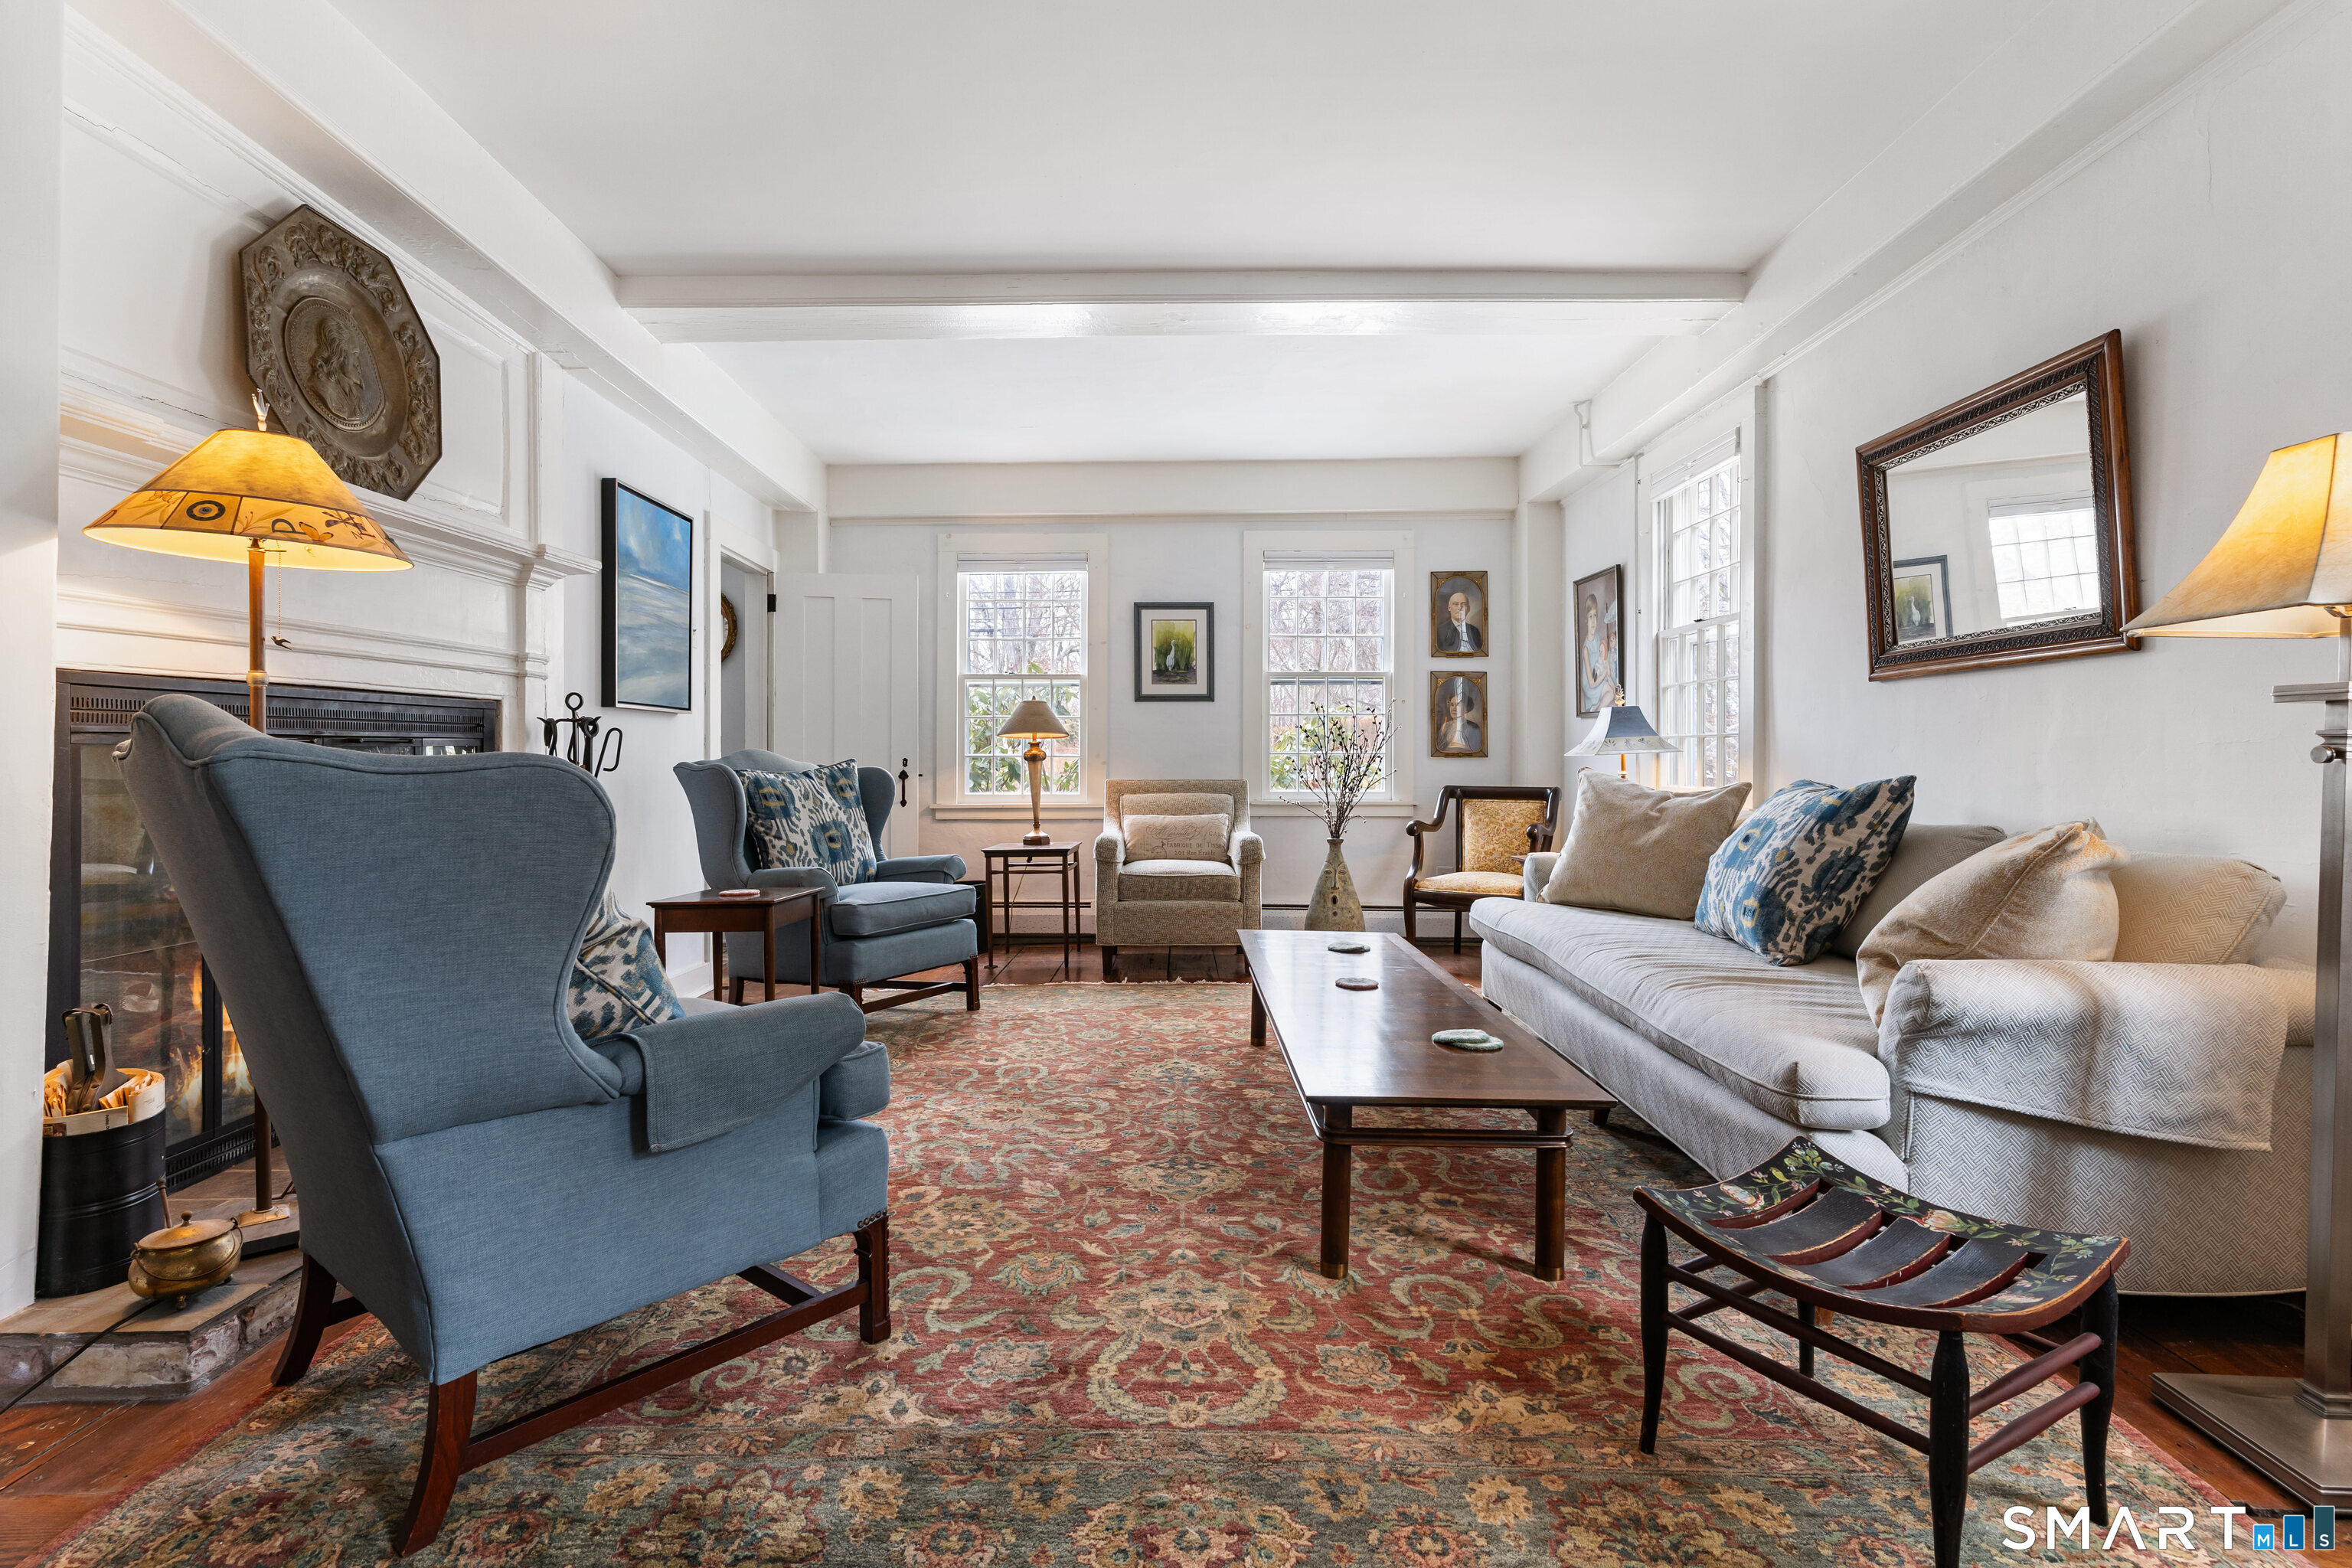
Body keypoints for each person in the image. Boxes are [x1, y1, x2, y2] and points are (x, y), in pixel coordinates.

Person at [1579, 591, 1619, 711]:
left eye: (1595, 616)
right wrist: (1604, 674)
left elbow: (1601, 659)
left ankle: (1598, 707)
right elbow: (1591, 683)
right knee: (1609, 693)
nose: (1593, 621)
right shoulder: (1586, 649)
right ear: (1586, 620)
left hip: (1599, 678)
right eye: (1590, 616)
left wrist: (1607, 674)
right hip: (1591, 685)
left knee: (1612, 692)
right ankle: (1598, 710)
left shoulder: (1597, 638)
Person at [1436, 681, 1483, 754]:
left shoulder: (1474, 728)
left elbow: (1475, 750)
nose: (1454, 709)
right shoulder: (1445, 726)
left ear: (1466, 708)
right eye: (1452, 705)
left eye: (1458, 705)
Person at [1436, 586, 1483, 653]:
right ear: (1449, 608)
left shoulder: (1475, 630)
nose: (1460, 608)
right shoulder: (1440, 630)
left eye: (1463, 604)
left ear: (1468, 609)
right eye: (1455, 604)